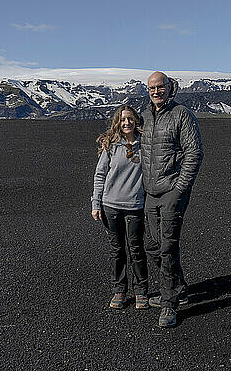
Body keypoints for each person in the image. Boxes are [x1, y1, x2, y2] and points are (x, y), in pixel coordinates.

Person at [140, 71, 204, 327]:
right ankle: (178, 288)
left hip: (171, 192)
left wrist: (179, 189)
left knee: (167, 247)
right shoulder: (144, 116)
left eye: (160, 87)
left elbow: (194, 152)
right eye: (151, 88)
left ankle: (169, 305)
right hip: (150, 192)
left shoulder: (181, 115)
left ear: (169, 87)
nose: (156, 91)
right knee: (153, 246)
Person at [91, 105, 149, 310]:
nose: (127, 123)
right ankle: (120, 290)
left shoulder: (146, 145)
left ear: (136, 121)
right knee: (117, 251)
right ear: (117, 122)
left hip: (135, 206)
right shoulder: (111, 145)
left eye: (131, 119)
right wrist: (96, 203)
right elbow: (100, 175)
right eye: (123, 119)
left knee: (136, 249)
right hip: (111, 206)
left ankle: (141, 290)